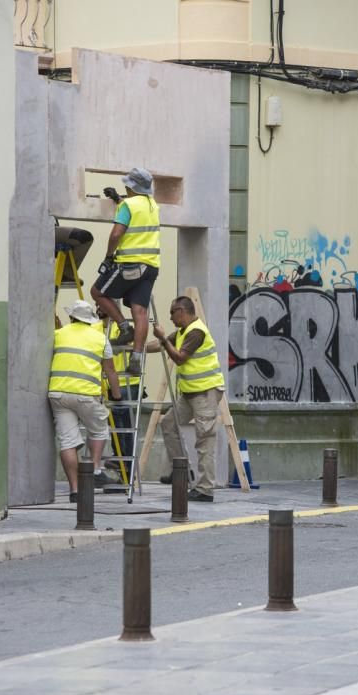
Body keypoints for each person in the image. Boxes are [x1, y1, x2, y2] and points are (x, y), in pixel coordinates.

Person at [147, 296, 225, 502]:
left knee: (204, 439)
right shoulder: (183, 332)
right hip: (191, 393)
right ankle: (179, 469)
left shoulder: (196, 331)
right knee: (168, 423)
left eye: (173, 312)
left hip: (205, 392)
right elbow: (160, 346)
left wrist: (163, 339)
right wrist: (138, 347)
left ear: (182, 310)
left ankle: (205, 489)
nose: (171, 317)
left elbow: (180, 357)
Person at [48, 300, 122, 503]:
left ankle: (74, 490)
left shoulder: (58, 334)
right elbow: (110, 371)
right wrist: (116, 395)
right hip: (86, 395)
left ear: (71, 317)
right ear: (90, 320)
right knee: (98, 429)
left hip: (58, 394)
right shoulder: (100, 339)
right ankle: (95, 469)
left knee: (67, 442)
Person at [91, 167, 160, 377]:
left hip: (128, 265)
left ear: (132, 187)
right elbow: (137, 210)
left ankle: (124, 327)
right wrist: (119, 199)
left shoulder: (128, 205)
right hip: (151, 267)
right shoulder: (152, 205)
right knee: (140, 312)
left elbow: (116, 234)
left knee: (97, 292)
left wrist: (109, 255)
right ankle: (137, 358)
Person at [92, 308, 140, 475]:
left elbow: (128, 344)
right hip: (107, 385)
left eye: (101, 306)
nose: (98, 308)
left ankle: (125, 469)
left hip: (126, 382)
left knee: (122, 427)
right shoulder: (96, 327)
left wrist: (109, 343)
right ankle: (122, 470)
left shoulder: (122, 327)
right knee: (114, 428)